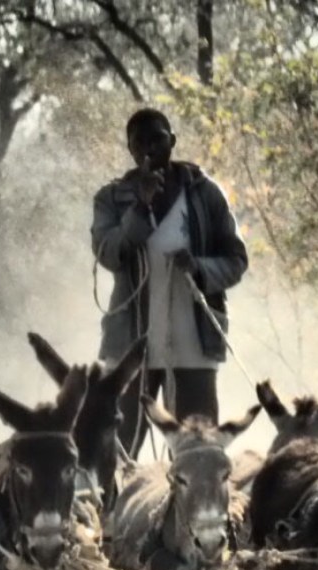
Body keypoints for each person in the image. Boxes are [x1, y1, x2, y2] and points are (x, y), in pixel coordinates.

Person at [91, 108, 248, 458]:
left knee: (198, 451)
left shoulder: (206, 194)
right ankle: (112, 511)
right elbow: (109, 254)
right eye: (140, 142)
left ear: (172, 141)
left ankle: (194, 513)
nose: (149, 148)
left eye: (157, 139)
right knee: (118, 449)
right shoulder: (112, 199)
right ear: (130, 149)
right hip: (131, 348)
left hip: (194, 347)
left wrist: (199, 268)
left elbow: (237, 260)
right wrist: (141, 207)